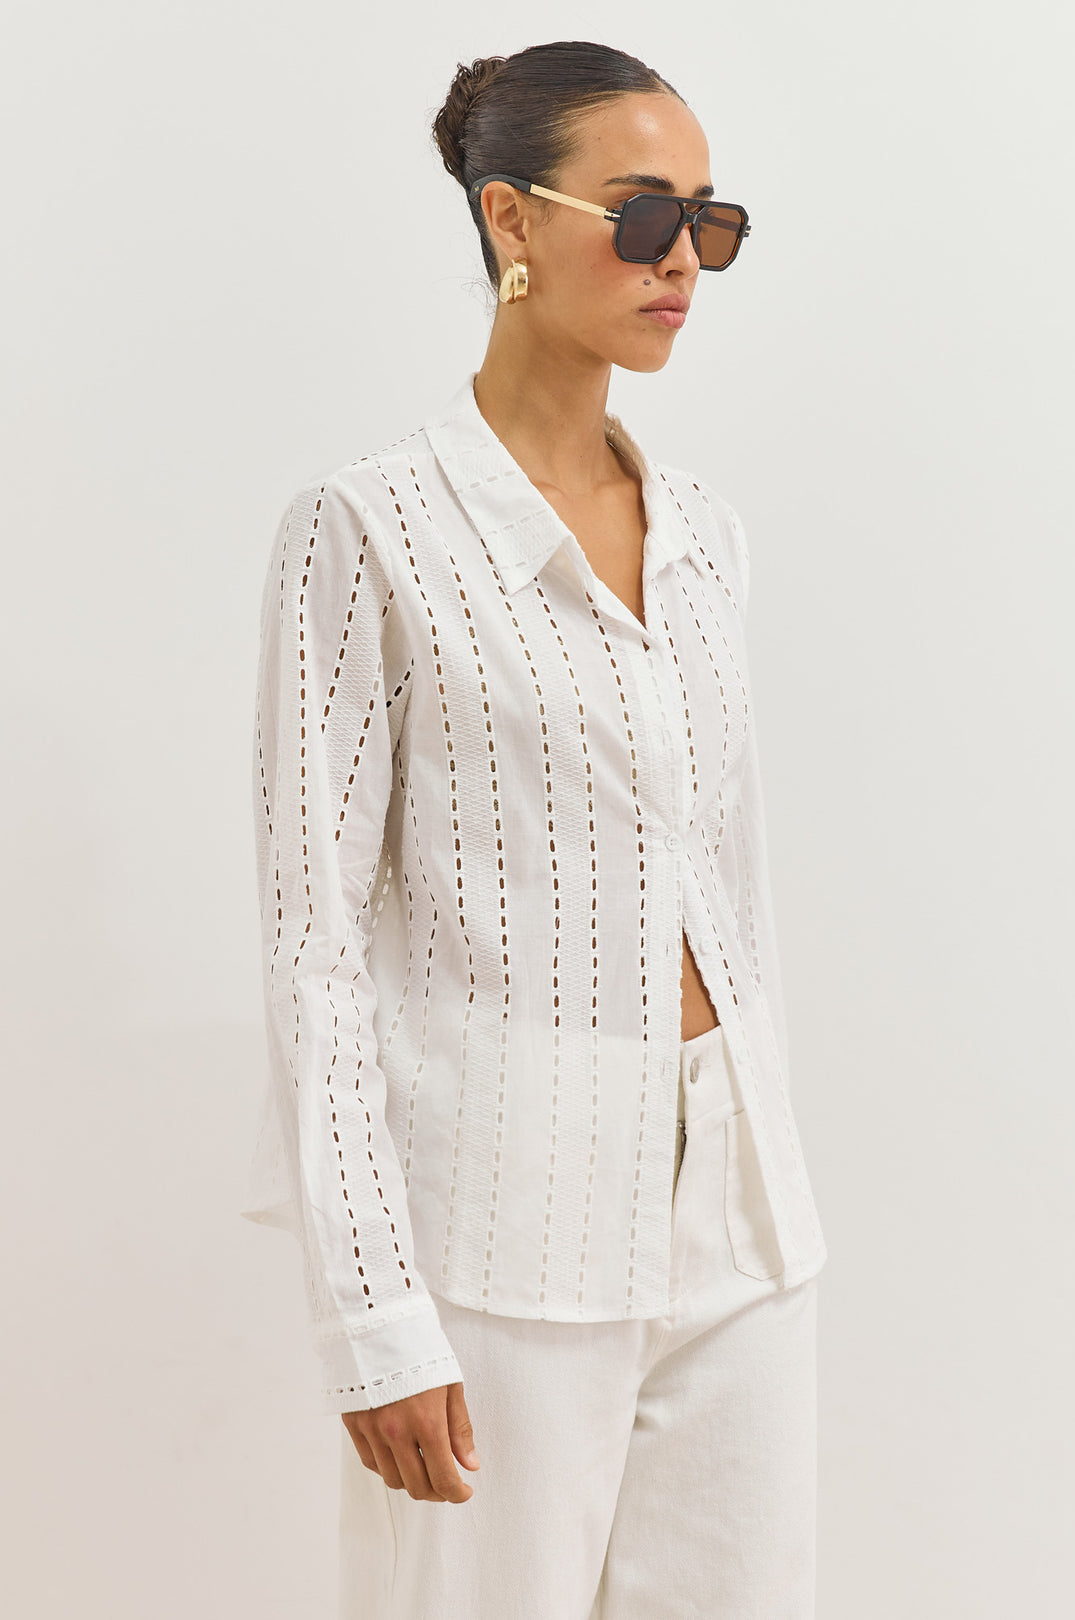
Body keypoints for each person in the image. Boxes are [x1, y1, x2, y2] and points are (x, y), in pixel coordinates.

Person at [242, 38, 829, 1620]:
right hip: (502, 1228)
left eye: (709, 221)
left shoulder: (704, 538)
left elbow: (732, 886)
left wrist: (769, 1154)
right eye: (643, 216)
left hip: (739, 1217)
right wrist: (372, 1312)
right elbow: (313, 949)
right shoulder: (368, 531)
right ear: (510, 218)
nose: (682, 259)